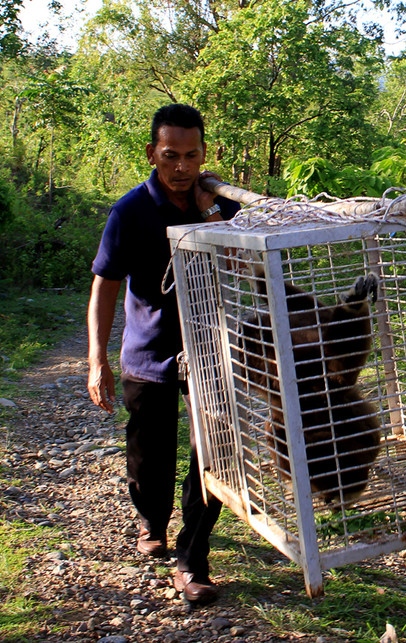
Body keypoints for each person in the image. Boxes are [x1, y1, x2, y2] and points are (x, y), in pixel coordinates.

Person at [87, 103, 240, 605]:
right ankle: (151, 518)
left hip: (211, 352)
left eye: (191, 156)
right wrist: (97, 358)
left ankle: (192, 559)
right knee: (149, 456)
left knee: (211, 454)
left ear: (205, 155)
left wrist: (208, 213)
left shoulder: (220, 204)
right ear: (152, 153)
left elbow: (242, 266)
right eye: (170, 155)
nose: (181, 167)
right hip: (149, 352)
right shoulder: (129, 212)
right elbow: (105, 286)